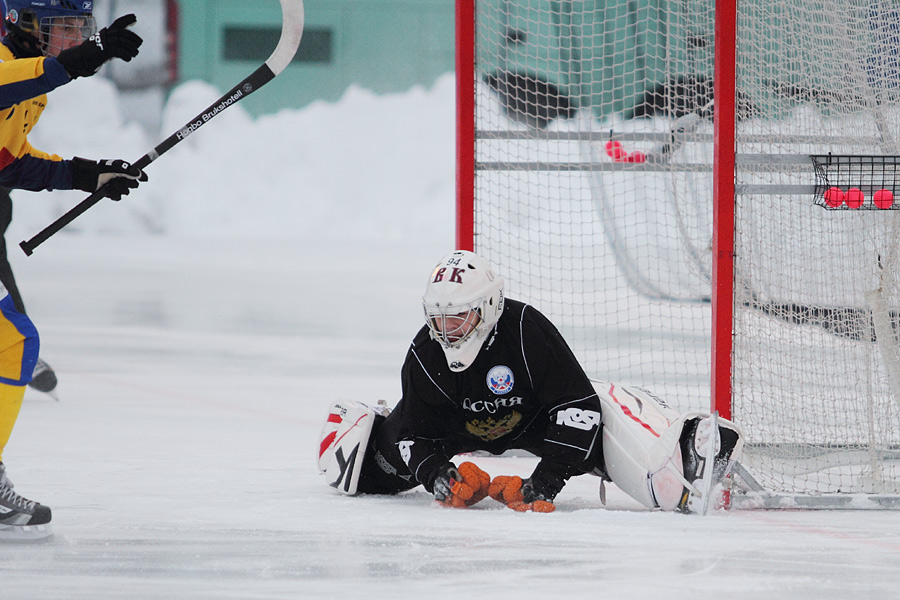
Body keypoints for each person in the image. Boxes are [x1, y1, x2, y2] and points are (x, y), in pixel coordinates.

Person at [317, 250, 744, 514]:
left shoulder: (525, 330)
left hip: (537, 422)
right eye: (437, 319)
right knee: (363, 474)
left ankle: (690, 446)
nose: (446, 331)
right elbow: (413, 435)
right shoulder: (425, 355)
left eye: (457, 318)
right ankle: (364, 419)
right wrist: (439, 477)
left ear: (487, 306)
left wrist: (542, 484)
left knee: (616, 426)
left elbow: (578, 406)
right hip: (453, 426)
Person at [0, 0, 147, 538]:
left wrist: (88, 175)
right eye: (62, 27)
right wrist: (86, 57)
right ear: (23, 21)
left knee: (13, 342)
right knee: (12, 341)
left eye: (75, 30)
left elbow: (10, 161)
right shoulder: (16, 71)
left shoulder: (31, 86)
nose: (69, 37)